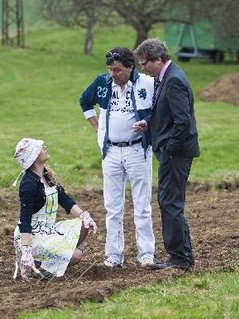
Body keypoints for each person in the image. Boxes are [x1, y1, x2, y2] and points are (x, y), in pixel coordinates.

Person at [79, 47, 156, 268]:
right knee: (112, 206)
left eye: (118, 70)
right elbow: (84, 101)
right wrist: (97, 127)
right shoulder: (102, 83)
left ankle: (146, 254)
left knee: (142, 205)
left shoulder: (146, 84)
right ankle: (113, 254)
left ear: (130, 67)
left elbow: (159, 109)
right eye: (111, 69)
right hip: (110, 151)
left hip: (136, 150)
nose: (113, 74)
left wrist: (147, 123)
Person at [133, 39, 200, 270]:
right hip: (172, 152)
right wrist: (149, 124)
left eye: (144, 63)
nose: (143, 68)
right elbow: (167, 113)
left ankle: (180, 258)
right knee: (169, 201)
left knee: (170, 202)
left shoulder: (173, 81)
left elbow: (183, 122)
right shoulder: (166, 78)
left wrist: (169, 149)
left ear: (158, 59)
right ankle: (182, 256)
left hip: (175, 154)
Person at [11, 137, 98, 281]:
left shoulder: (46, 175)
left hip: (49, 231)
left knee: (84, 224)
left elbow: (65, 200)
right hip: (33, 236)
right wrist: (26, 250)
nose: (44, 148)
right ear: (33, 157)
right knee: (76, 256)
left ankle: (55, 259)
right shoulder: (28, 184)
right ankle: (35, 262)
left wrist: (84, 215)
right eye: (40, 148)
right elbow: (24, 221)